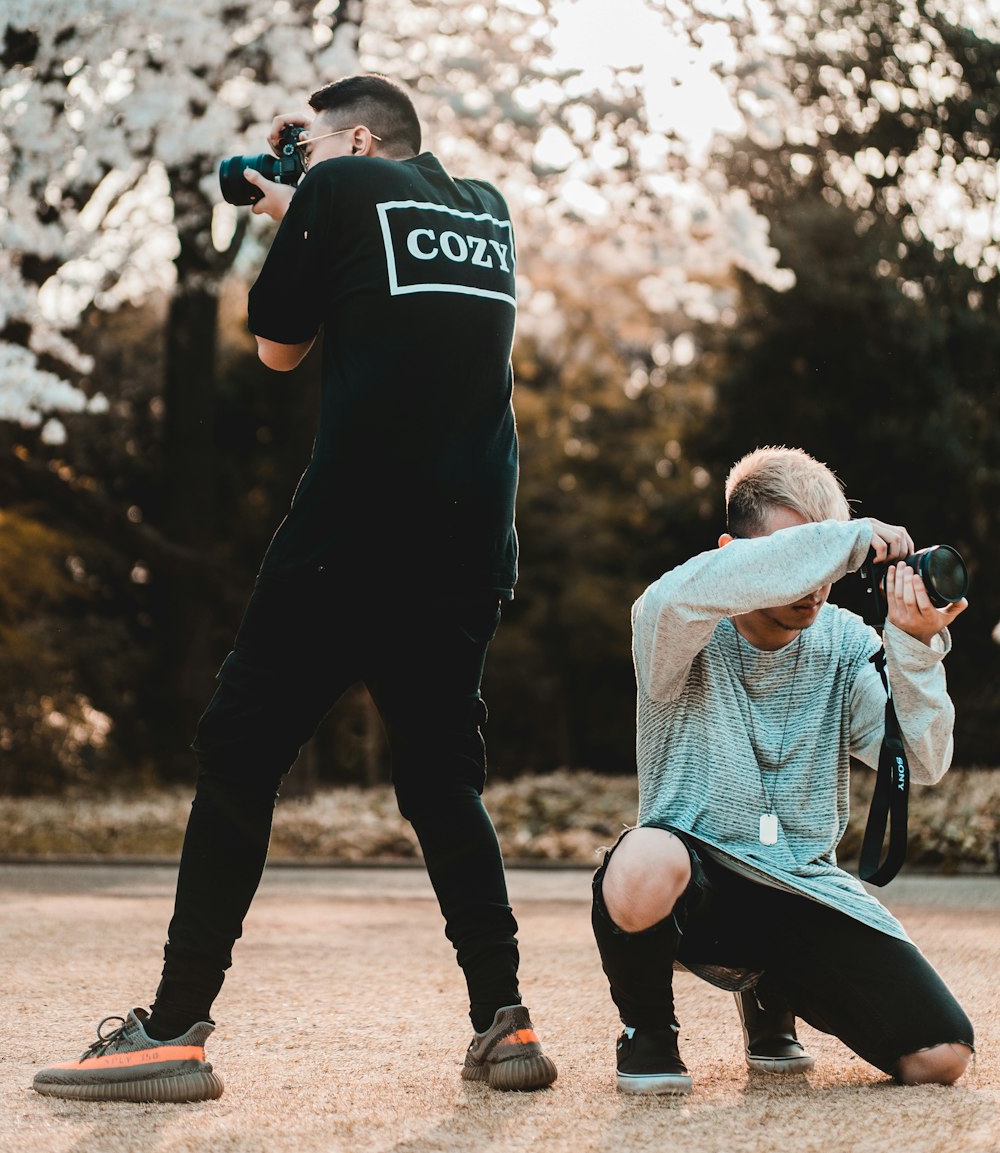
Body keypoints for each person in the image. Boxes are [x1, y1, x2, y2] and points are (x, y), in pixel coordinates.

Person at [34, 73, 556, 1102]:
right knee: (443, 782)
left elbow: (278, 351)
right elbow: (379, 262)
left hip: (349, 543)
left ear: (356, 139)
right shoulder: (486, 212)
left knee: (238, 753)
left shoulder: (336, 189)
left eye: (314, 148)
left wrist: (289, 198)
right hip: (466, 548)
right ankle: (505, 1022)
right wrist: (296, 195)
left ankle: (173, 1028)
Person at [592, 445, 973, 1095]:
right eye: (804, 552)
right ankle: (648, 1029)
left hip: (800, 888)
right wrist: (845, 538)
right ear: (729, 552)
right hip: (699, 881)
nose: (816, 581)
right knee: (641, 861)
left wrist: (915, 651)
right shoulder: (679, 617)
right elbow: (694, 591)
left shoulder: (848, 642)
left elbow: (925, 763)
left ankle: (774, 994)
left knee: (940, 1055)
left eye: (828, 559)